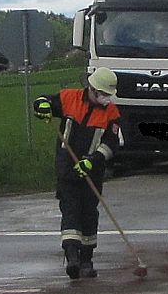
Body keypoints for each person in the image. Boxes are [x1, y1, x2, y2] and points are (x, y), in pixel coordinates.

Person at [34, 67, 125, 279]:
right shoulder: (69, 98)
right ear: (91, 89)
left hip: (92, 171)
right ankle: (72, 257)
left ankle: (87, 260)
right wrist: (42, 105)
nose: (104, 99)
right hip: (67, 165)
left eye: (107, 95)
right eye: (101, 94)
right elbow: (44, 101)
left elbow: (112, 144)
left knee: (88, 213)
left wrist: (93, 161)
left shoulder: (111, 113)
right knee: (70, 209)